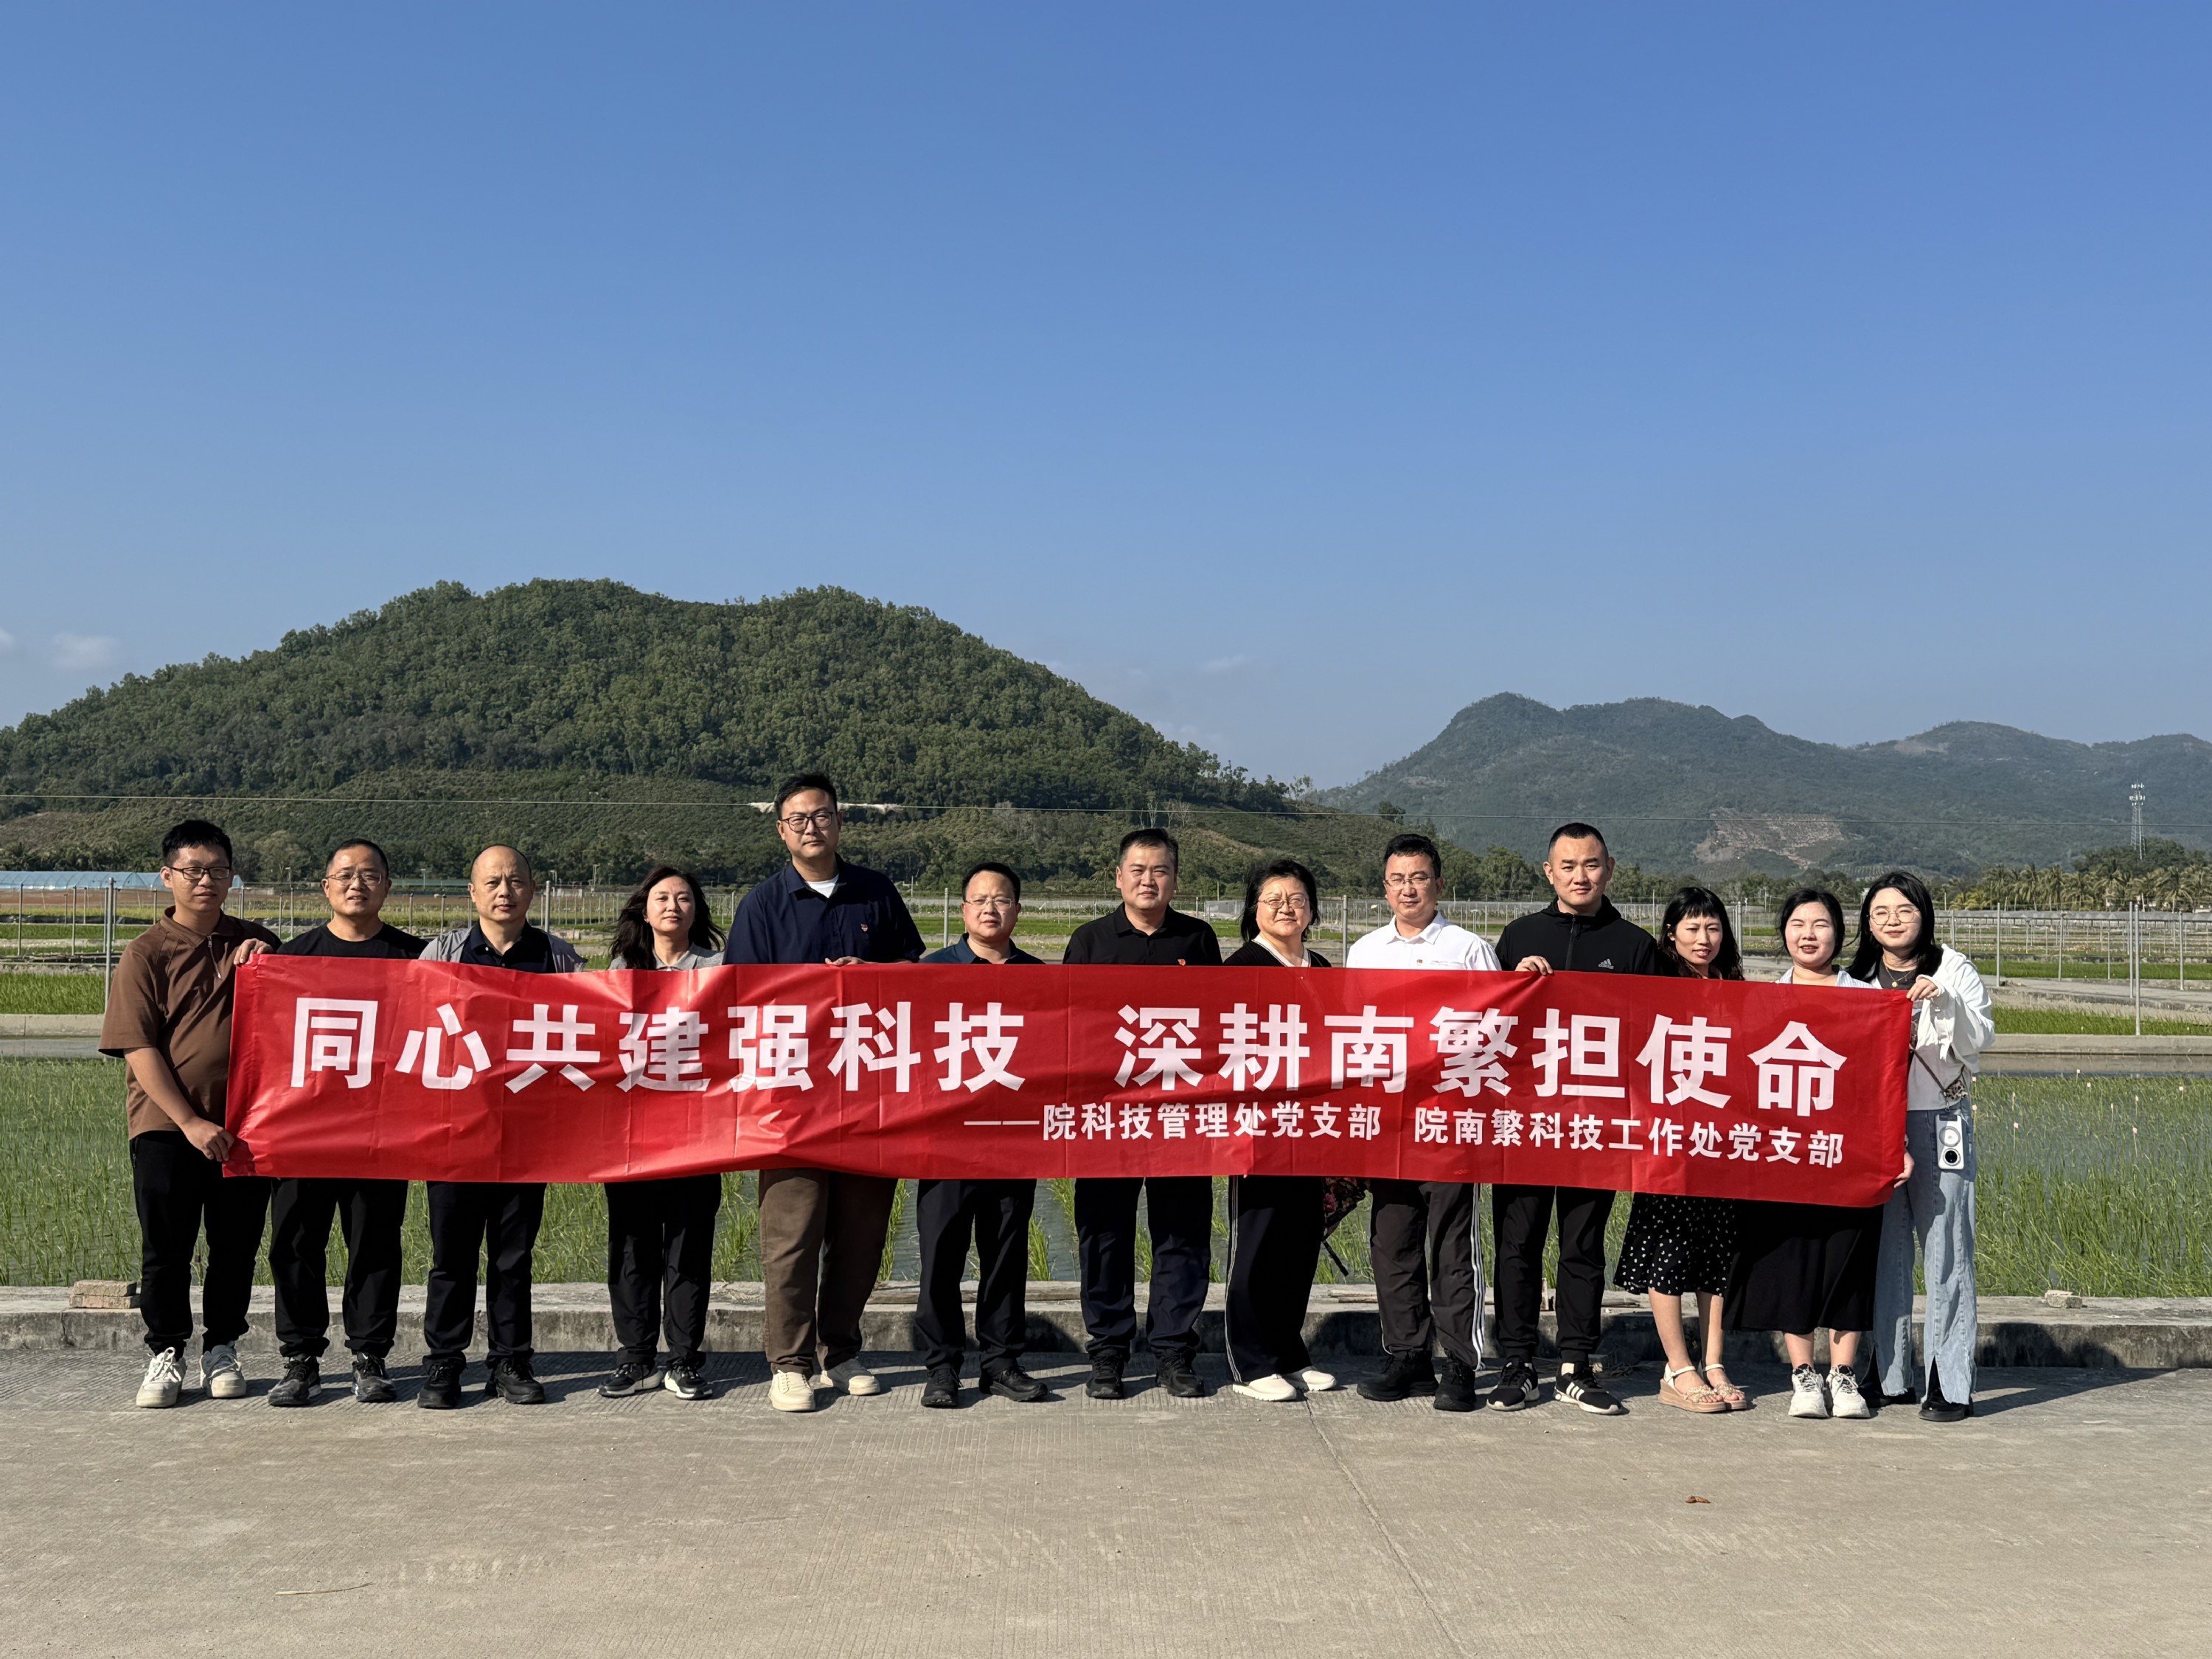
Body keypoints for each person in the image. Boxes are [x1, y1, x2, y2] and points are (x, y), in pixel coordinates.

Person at [724, 773, 926, 1413]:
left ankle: (840, 1350)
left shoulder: (876, 893)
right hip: (791, 1099)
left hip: (869, 1095)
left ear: (840, 822)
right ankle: (789, 1362)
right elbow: (739, 998)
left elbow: (917, 975)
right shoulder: (763, 905)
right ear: (781, 831)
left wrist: (874, 975)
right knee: (792, 1234)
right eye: (799, 819)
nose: (812, 827)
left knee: (861, 1234)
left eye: (822, 816)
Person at [101, 821, 279, 1409]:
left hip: (246, 1127)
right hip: (166, 1128)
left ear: (232, 877)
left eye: (218, 870)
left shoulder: (257, 942)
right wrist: (191, 1123)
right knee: (167, 1247)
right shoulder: (146, 953)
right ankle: (167, 1350)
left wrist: (272, 965)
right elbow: (139, 1048)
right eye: (194, 871)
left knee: (235, 1246)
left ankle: (222, 1346)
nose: (207, 881)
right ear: (167, 876)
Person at [1491, 821, 1661, 1415]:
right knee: (1517, 1243)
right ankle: (1516, 1361)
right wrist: (1512, 986)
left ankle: (1576, 1363)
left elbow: (1655, 1034)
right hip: (1526, 1120)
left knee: (1583, 1247)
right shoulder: (1518, 937)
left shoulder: (1635, 946)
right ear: (1549, 872)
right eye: (1568, 865)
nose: (1580, 876)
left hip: (1597, 1124)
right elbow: (1484, 1025)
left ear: (1610, 869)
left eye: (1591, 864)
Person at [415, 846, 587, 1408]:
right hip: (455, 1134)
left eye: (515, 881)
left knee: (513, 1257)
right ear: (472, 893)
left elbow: (590, 1033)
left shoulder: (559, 959)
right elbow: (411, 1029)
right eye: (492, 882)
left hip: (525, 1136)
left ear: (533, 890)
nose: (504, 891)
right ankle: (444, 1362)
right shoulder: (442, 954)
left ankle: (511, 1361)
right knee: (452, 1256)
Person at [260, 840, 425, 1406]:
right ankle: (300, 1358)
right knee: (295, 1243)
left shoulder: (417, 961)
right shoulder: (290, 960)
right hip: (302, 1132)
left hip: (381, 1132)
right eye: (346, 875)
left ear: (388, 887)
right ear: (326, 886)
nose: (358, 884)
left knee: (374, 1243)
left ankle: (370, 1355)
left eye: (371, 875)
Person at [1062, 827, 1222, 1399]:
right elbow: (1068, 1026)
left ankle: (1174, 1351)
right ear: (1118, 878)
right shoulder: (1090, 941)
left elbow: (1217, 1024)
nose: (1148, 880)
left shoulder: (1198, 939)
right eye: (1138, 870)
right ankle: (1108, 1351)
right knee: (1104, 1233)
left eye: (1160, 870)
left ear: (1175, 879)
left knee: (1182, 1232)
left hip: (1181, 1114)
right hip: (1110, 1116)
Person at [1343, 832, 1500, 1412]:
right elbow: (1350, 1034)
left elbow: (1498, 1029)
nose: (1408, 889)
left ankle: (1459, 1363)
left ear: (1439, 884)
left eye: (1418, 878)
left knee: (1453, 1244)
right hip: (1388, 1122)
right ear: (1384, 888)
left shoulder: (1468, 949)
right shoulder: (1365, 951)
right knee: (1392, 1241)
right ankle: (1406, 1355)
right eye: (1398, 879)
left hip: (1450, 1122)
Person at [1724, 887, 1893, 1421]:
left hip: (1849, 1154)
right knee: (1792, 1261)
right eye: (1798, 924)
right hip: (1785, 1154)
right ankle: (1803, 1375)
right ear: (1784, 934)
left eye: (1820, 924)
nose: (1809, 934)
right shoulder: (1764, 999)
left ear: (1839, 934)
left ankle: (1843, 1375)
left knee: (1848, 1261)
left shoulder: (1867, 997)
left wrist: (1894, 1146)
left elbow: (1885, 1081)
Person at [914, 862, 1051, 1408]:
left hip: (1012, 1140)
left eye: (1002, 899)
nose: (990, 909)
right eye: (980, 900)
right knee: (940, 1257)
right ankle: (942, 1367)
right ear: (964, 910)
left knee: (1006, 1256)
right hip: (944, 1142)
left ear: (1017, 910)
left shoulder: (1041, 978)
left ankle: (1000, 1363)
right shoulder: (930, 971)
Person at [1857, 871, 1992, 1424]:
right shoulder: (1856, 978)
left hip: (1940, 1120)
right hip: (1872, 1126)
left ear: (1924, 915)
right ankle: (1890, 1375)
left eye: (1904, 911)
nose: (1893, 921)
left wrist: (1947, 1002)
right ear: (1868, 923)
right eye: (1881, 912)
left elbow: (1980, 1040)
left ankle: (1950, 1380)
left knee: (1947, 1248)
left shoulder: (1954, 969)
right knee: (1883, 1251)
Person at [597, 866, 726, 1403]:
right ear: (644, 910)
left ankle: (684, 1359)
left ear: (697, 909)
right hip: (633, 1136)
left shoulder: (719, 969)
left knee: (688, 1247)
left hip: (699, 1134)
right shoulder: (621, 970)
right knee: (632, 1246)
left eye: (684, 897)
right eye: (662, 897)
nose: (673, 905)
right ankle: (636, 1357)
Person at [1613, 886, 1744, 1414]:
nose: (1704, 938)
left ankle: (1714, 1362)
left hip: (1722, 1144)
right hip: (1668, 1142)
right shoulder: (1657, 986)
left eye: (1713, 927)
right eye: (1692, 928)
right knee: (1668, 1251)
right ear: (1671, 935)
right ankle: (1677, 1367)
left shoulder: (1736, 990)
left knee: (1717, 1254)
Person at [1222, 858, 1341, 1402]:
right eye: (1273, 899)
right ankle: (1250, 1362)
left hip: (1312, 1128)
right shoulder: (1241, 967)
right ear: (1255, 909)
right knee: (1258, 1242)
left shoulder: (1323, 967)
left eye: (1296, 899)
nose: (1286, 908)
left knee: (1299, 1241)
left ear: (1312, 909)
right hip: (1259, 1129)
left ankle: (1289, 1352)